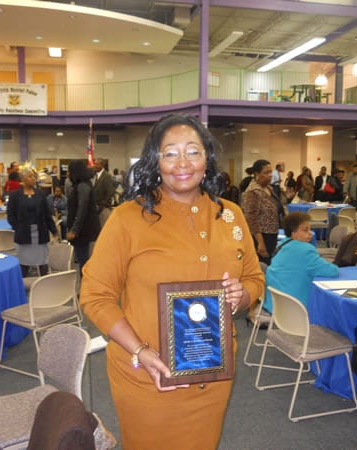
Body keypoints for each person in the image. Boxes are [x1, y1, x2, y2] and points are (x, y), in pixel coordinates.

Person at [79, 114, 264, 450]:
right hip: (148, 376)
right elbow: (95, 295)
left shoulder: (231, 215)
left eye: (193, 151)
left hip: (212, 373)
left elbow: (254, 277)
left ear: (207, 159)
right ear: (155, 160)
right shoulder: (128, 219)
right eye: (170, 153)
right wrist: (140, 350)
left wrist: (241, 296)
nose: (183, 163)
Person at [264, 212, 338, 311]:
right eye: (305, 230)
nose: (310, 233)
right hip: (296, 309)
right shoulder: (306, 250)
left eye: (310, 229)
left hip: (273, 304)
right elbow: (332, 271)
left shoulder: (281, 244)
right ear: (293, 234)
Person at [7, 164, 58, 277]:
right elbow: (10, 214)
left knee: (43, 263)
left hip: (40, 233)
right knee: (23, 264)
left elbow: (47, 214)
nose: (33, 179)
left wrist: (54, 231)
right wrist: (17, 227)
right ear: (23, 178)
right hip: (23, 234)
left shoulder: (40, 194)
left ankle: (44, 286)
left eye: (34, 176)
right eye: (30, 176)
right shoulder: (15, 195)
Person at [242, 159, 285, 265]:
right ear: (256, 174)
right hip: (261, 236)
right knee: (262, 266)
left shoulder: (269, 188)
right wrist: (260, 242)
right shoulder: (253, 192)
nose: (270, 175)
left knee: (269, 264)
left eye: (271, 172)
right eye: (266, 173)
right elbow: (251, 218)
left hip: (272, 234)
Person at [65, 160, 100, 270]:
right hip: (83, 231)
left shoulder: (82, 186)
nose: (68, 174)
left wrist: (74, 230)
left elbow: (82, 209)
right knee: (83, 260)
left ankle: (85, 284)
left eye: (69, 171)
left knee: (84, 262)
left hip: (83, 232)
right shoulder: (83, 185)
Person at [92, 158, 115, 224]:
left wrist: (103, 205)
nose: (95, 166)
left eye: (97, 164)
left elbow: (110, 192)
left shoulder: (107, 176)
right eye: (95, 164)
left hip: (103, 208)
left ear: (102, 165)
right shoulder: (95, 175)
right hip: (96, 207)